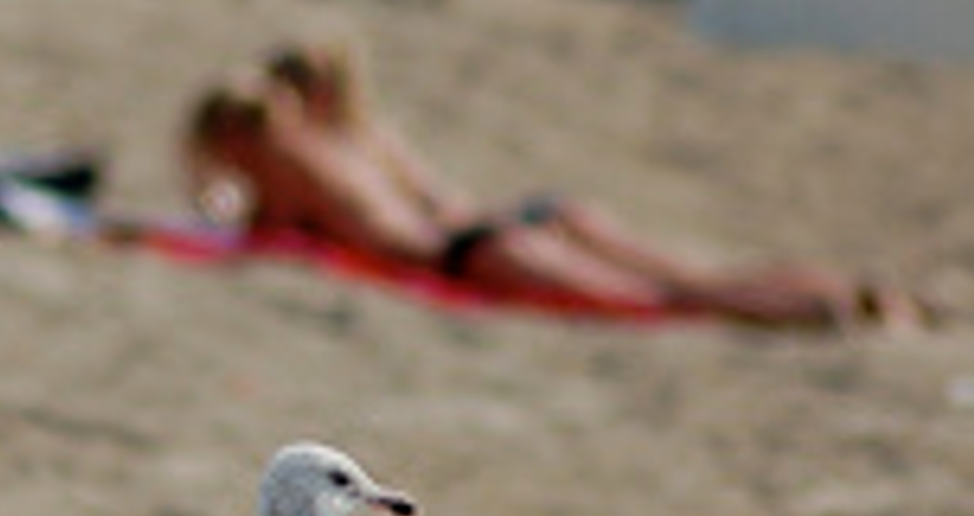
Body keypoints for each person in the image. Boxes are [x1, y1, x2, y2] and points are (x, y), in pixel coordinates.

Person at [182, 41, 927, 329]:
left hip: (471, 253)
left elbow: (256, 240)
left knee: (674, 304)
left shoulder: (289, 167)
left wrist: (209, 195)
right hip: (499, 225)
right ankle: (854, 291)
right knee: (695, 280)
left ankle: (823, 308)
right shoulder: (360, 139)